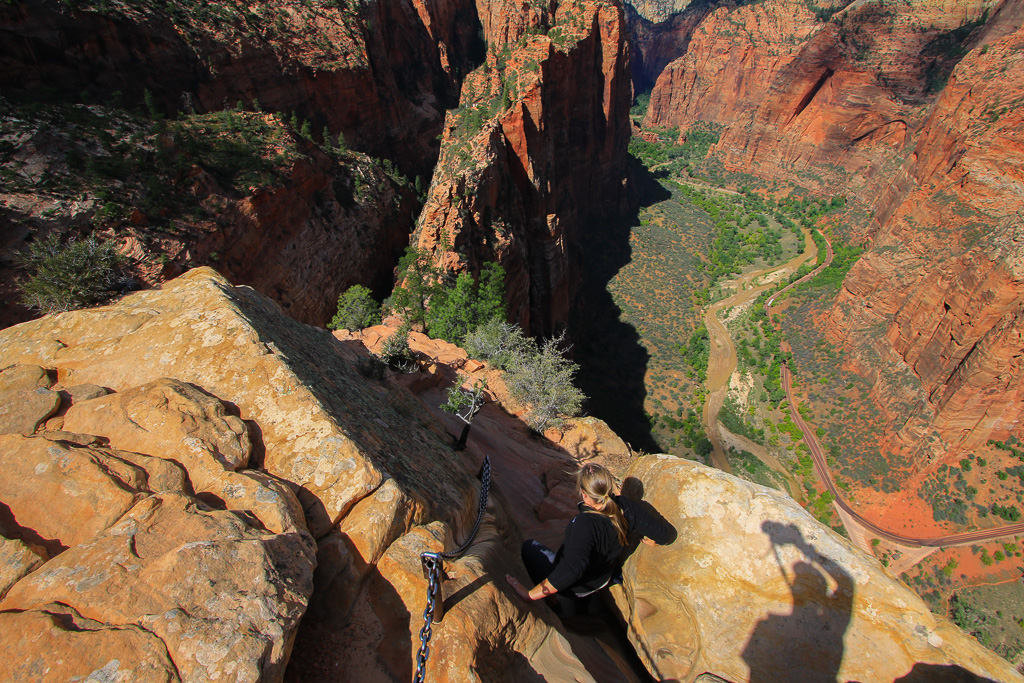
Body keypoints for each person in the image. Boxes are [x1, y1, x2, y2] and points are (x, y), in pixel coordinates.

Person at [505, 463, 672, 610]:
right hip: (602, 577)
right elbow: (665, 536)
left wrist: (528, 595)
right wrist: (651, 540)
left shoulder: (584, 524)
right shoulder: (627, 508)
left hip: (577, 587)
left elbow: (571, 570)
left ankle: (553, 601)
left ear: (584, 494)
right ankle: (582, 607)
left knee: (529, 547)